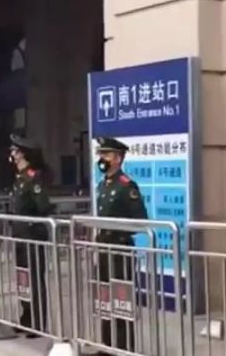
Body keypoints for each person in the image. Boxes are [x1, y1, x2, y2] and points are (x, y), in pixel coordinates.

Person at [93, 137, 147, 354]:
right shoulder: (102, 185)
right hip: (103, 248)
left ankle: (124, 347)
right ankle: (107, 344)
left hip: (120, 249)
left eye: (106, 155)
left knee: (121, 298)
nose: (101, 159)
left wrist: (118, 230)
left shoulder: (126, 186)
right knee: (105, 297)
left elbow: (141, 220)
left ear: (117, 158)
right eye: (100, 154)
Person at [8, 134, 54, 337]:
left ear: (22, 154)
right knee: (23, 278)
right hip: (19, 235)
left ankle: (37, 322)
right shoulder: (19, 178)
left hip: (32, 235)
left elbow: (43, 205)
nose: (11, 154)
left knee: (34, 279)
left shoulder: (34, 177)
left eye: (14, 151)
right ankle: (25, 317)